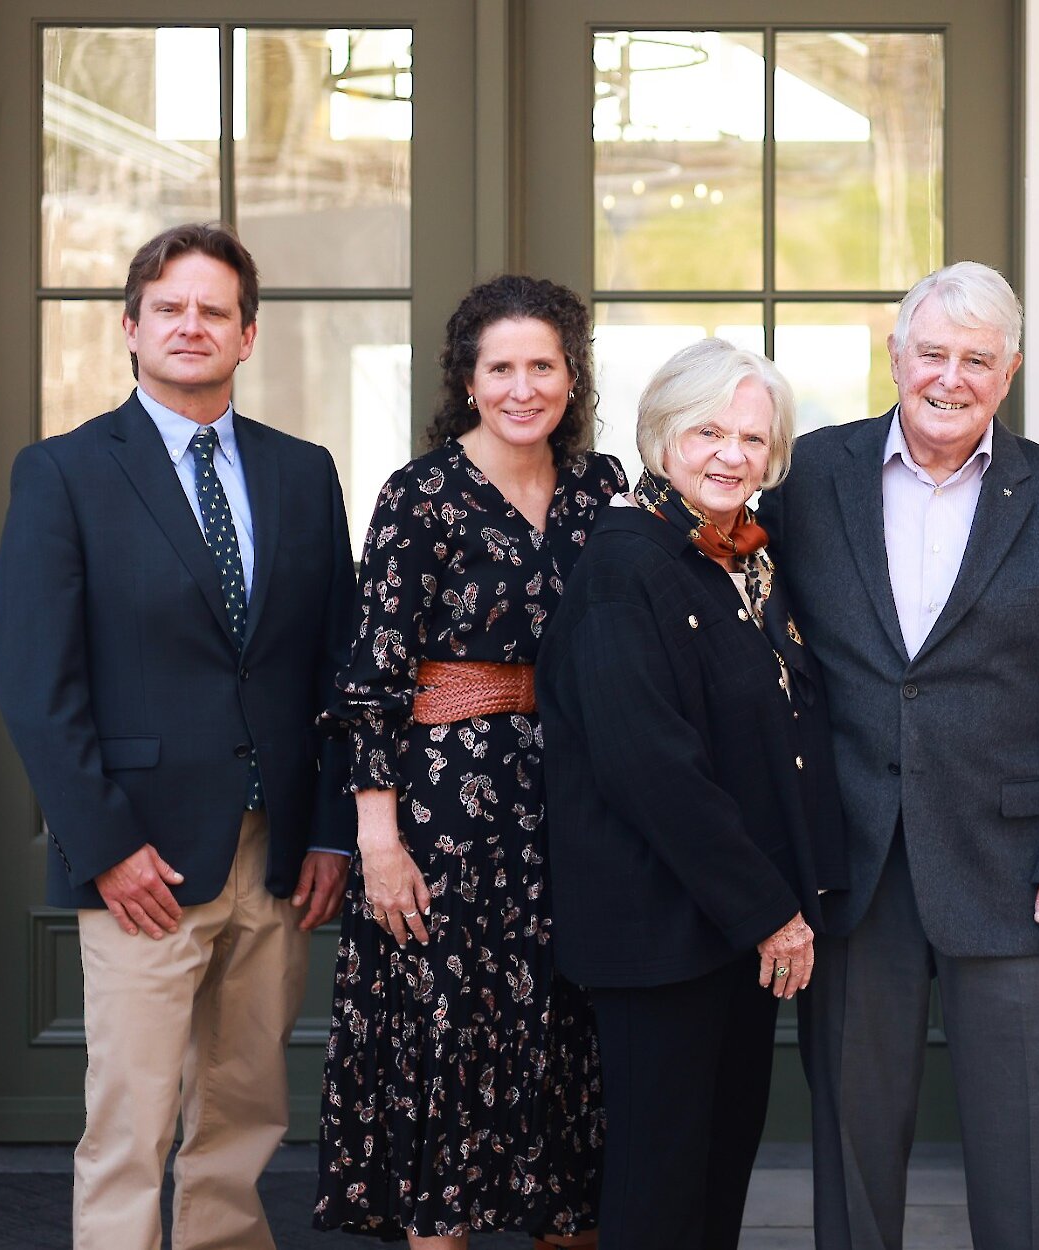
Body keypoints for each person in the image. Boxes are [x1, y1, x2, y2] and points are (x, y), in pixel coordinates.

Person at [0, 223, 356, 1250]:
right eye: (170, 308)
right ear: (131, 328)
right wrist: (102, 842)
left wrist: (330, 827)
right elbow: (34, 679)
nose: (191, 325)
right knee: (132, 1116)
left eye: (214, 311)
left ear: (247, 335)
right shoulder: (63, 473)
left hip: (276, 854)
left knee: (245, 1115)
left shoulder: (301, 472)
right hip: (138, 854)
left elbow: (340, 665)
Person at [760, 261, 1039, 1250]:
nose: (951, 377)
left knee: (1025, 1154)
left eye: (977, 359)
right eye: (933, 352)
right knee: (852, 1148)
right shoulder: (806, 479)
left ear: (1007, 372)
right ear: (896, 357)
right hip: (850, 862)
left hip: (1023, 876)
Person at [312, 275, 623, 1247]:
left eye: (544, 365)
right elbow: (370, 680)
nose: (523, 386)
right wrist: (376, 840)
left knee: (568, 1051)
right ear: (468, 378)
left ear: (572, 376)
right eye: (502, 367)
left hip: (574, 809)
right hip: (446, 820)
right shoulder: (422, 494)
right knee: (450, 1052)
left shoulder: (601, 487)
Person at [537, 337, 846, 1249]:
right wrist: (770, 913)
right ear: (662, 436)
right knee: (659, 1190)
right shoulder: (626, 566)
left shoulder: (739, 561)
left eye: (753, 440)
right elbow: (651, 769)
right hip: (663, 936)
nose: (730, 455)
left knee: (716, 1179)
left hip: (729, 934)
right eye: (707, 430)